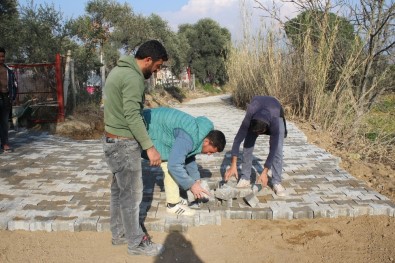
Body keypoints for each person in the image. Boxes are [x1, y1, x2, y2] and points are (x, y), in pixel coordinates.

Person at [102, 40, 167, 257]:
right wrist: (150, 147)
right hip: (123, 143)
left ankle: (120, 234)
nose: (157, 70)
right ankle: (136, 243)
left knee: (118, 192)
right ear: (148, 60)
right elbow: (132, 114)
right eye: (157, 66)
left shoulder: (118, 71)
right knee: (131, 195)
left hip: (112, 141)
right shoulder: (133, 78)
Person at [143, 107, 226, 216]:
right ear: (207, 141)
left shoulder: (199, 134)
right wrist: (192, 186)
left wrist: (196, 180)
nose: (210, 155)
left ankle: (174, 198)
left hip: (158, 127)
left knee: (174, 160)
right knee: (170, 164)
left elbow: (189, 157)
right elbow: (174, 165)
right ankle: (172, 205)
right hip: (148, 126)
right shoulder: (189, 137)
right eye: (211, 151)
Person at [224, 96, 287, 197]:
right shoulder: (250, 115)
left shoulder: (275, 121)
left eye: (259, 133)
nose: (257, 134)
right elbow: (237, 140)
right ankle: (245, 177)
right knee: (248, 143)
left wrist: (265, 172)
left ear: (266, 129)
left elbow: (273, 149)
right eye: (255, 132)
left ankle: (276, 182)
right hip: (256, 111)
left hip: (276, 111)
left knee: (278, 149)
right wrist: (233, 164)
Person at [0, 47, 17, 153]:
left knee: (4, 123)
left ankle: (5, 143)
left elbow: (15, 85)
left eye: (3, 56)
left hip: (6, 99)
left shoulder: (9, 70)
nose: (1, 58)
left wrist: (13, 97)